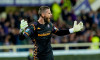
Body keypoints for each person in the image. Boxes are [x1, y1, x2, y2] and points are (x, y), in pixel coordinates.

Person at [19, 6, 83, 60]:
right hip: (39, 57)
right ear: (43, 15)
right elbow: (22, 38)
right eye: (49, 13)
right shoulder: (33, 27)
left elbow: (59, 32)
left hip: (49, 56)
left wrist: (73, 30)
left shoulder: (50, 25)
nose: (51, 14)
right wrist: (21, 30)